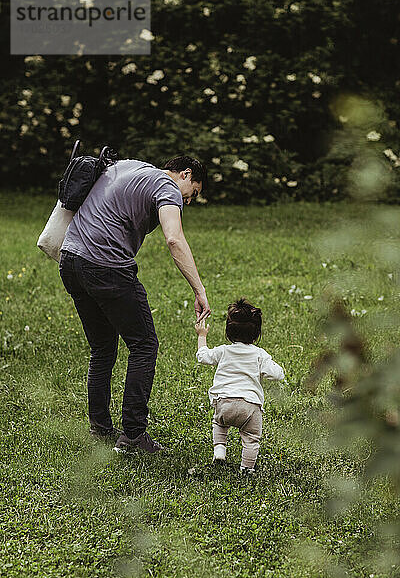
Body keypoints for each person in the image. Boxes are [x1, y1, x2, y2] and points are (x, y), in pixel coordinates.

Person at [59, 155, 211, 454]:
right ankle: (133, 437)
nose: (188, 202)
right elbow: (174, 239)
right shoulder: (167, 187)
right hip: (106, 267)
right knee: (144, 345)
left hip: (70, 259)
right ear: (185, 174)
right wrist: (199, 290)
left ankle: (100, 428)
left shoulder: (127, 165)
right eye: (192, 193)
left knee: (102, 347)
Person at [195, 298, 284, 474]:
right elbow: (276, 374)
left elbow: (203, 357)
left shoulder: (223, 351)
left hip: (224, 403)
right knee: (251, 440)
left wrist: (202, 336)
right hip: (249, 407)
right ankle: (247, 469)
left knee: (219, 423)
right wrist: (278, 369)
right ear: (256, 334)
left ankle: (220, 448)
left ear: (228, 331)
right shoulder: (259, 354)